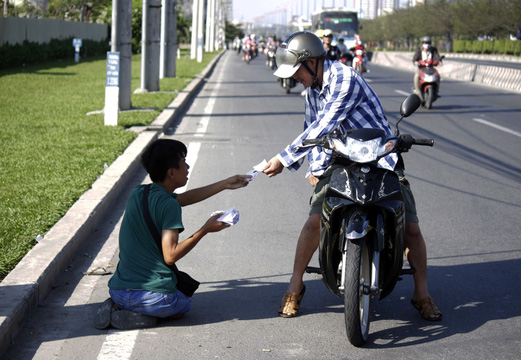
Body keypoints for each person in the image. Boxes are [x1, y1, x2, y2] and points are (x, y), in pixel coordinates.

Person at [264, 31, 442, 321]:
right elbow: (313, 133)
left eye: (297, 70)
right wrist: (314, 169)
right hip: (341, 161)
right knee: (313, 223)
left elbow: (323, 125)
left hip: (379, 158)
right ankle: (295, 287)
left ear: (312, 63)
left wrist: (282, 159)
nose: (295, 77)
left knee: (410, 227)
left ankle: (422, 293)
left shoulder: (344, 79)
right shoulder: (311, 91)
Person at [94, 139, 251, 330]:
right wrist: (204, 230)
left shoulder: (139, 192)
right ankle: (141, 315)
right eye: (183, 162)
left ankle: (118, 306)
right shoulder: (169, 205)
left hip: (117, 290)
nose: (187, 166)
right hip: (153, 299)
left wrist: (225, 183)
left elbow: (183, 198)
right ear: (171, 172)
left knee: (165, 296)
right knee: (183, 304)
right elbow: (170, 256)